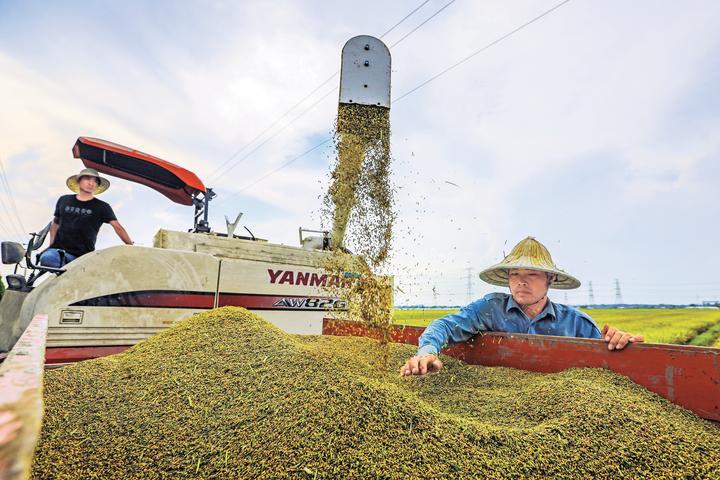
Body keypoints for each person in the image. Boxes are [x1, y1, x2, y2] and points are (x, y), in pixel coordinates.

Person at [400, 236, 644, 377]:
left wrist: (622, 343)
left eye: (532, 274)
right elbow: (445, 325)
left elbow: (609, 361)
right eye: (515, 273)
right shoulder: (490, 308)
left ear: (551, 279)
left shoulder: (577, 323)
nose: (521, 281)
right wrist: (427, 352)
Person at [39, 168, 133, 267]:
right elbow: (55, 224)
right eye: (88, 179)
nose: (91, 183)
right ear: (79, 181)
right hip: (57, 253)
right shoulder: (64, 200)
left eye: (95, 181)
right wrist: (51, 245)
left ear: (97, 186)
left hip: (83, 257)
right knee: (47, 258)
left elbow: (117, 226)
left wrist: (130, 245)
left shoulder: (102, 207)